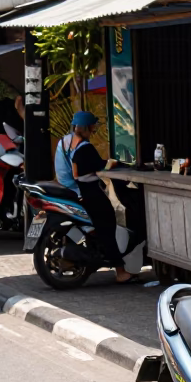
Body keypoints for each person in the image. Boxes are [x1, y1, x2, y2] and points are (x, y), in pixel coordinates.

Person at [65, 111, 135, 285]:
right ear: (87, 128)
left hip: (84, 192)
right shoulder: (86, 148)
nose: (94, 129)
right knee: (108, 228)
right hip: (92, 195)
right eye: (93, 127)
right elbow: (102, 165)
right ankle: (120, 272)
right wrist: (121, 163)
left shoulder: (74, 146)